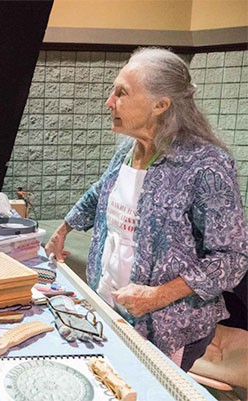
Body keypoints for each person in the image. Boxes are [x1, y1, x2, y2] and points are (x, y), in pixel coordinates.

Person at [45, 47, 248, 371]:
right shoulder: (131, 148)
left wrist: (157, 296)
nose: (109, 102)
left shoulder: (206, 165)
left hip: (168, 329)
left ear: (160, 105)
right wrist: (64, 228)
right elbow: (103, 191)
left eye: (121, 93)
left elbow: (231, 258)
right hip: (113, 307)